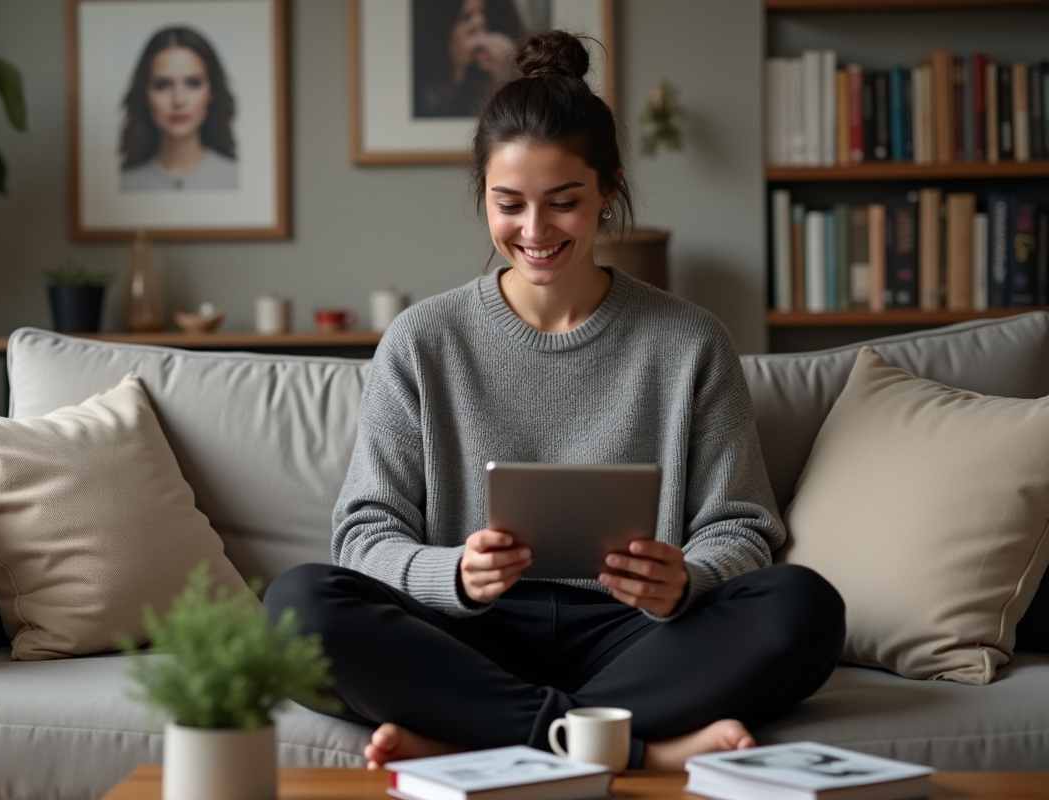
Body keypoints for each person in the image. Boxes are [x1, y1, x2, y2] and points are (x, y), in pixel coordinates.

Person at [264, 30, 846, 772]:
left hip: (638, 636)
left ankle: (474, 738)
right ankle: (630, 748)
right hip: (466, 633)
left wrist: (686, 580)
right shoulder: (421, 342)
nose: (534, 232)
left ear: (608, 188)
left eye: (563, 203)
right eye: (509, 205)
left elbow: (742, 526)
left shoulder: (691, 341)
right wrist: (454, 575)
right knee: (298, 606)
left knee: (804, 609)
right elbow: (364, 535)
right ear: (483, 195)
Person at [119, 26, 237, 192]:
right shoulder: (124, 183)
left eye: (193, 83)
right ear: (145, 95)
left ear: (212, 91)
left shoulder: (236, 178)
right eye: (162, 85)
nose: (179, 100)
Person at [412, 0, 527, 118]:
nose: (481, 22)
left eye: (483, 12)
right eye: (466, 17)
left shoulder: (480, 80)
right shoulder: (429, 99)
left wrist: (508, 74)